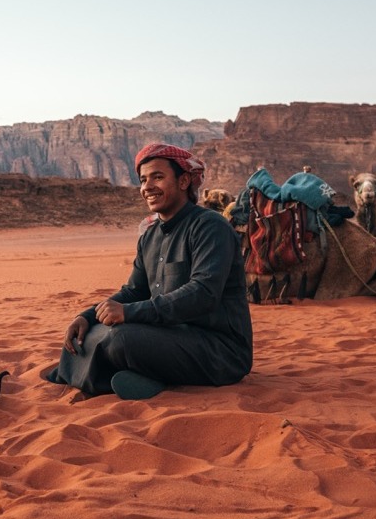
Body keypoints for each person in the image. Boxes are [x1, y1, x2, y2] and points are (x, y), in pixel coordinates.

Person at [43, 143, 253, 400]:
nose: (147, 187)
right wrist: (87, 316)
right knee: (91, 333)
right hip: (171, 336)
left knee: (120, 339)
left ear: (184, 181)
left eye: (158, 177)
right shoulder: (149, 237)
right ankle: (136, 377)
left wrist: (128, 313)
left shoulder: (210, 227)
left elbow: (203, 293)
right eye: (143, 180)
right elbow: (134, 291)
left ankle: (112, 377)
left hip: (219, 350)